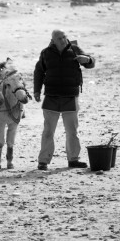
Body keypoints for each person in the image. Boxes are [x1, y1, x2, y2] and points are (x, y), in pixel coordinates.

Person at [33, 29, 96, 170]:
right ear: (53, 41)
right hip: (51, 97)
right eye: (59, 38)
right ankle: (43, 161)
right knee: (48, 131)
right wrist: (37, 90)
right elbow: (38, 71)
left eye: (64, 37)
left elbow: (91, 63)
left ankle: (73, 160)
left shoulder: (74, 49)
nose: (63, 40)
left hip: (70, 96)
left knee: (72, 131)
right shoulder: (46, 53)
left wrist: (88, 60)